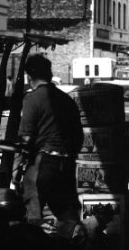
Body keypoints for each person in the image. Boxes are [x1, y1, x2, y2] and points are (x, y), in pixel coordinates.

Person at [17, 53, 84, 238]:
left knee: (33, 212)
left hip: (44, 163)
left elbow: (27, 138)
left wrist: (18, 164)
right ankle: (72, 248)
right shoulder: (66, 99)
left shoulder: (32, 99)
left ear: (29, 76)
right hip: (67, 162)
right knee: (67, 212)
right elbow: (78, 136)